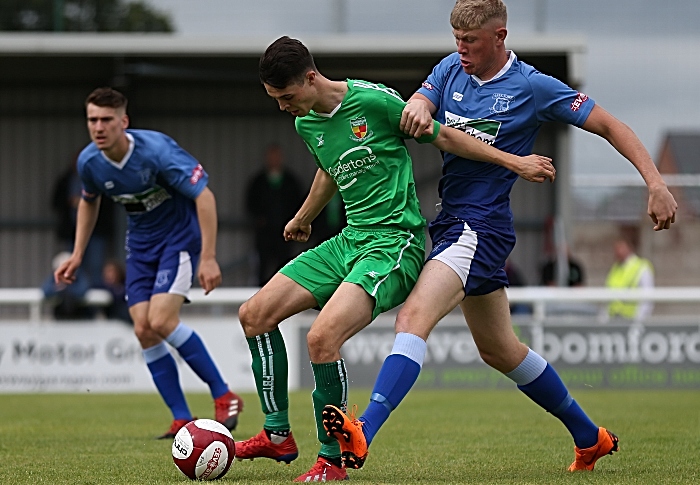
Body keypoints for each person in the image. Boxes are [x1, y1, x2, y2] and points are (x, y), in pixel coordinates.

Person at [321, 0, 678, 474]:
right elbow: (421, 102)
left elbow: (610, 125)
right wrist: (419, 109)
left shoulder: (531, 87)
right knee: (500, 350)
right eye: (456, 39)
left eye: (470, 41)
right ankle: (590, 436)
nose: (461, 49)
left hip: (480, 226)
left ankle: (364, 428)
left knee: (412, 319)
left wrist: (655, 183)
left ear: (500, 36)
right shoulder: (451, 68)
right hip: (453, 222)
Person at [235, 35, 555, 482]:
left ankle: (331, 460)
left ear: (311, 77)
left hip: (393, 243)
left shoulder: (375, 101)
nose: (283, 108)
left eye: (287, 97)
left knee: (321, 339)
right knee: (253, 315)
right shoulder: (306, 122)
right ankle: (275, 435)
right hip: (349, 240)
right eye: (276, 100)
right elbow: (330, 166)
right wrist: (303, 217)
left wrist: (514, 162)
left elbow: (447, 138)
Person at [54, 87, 244, 439]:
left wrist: (209, 256)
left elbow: (204, 196)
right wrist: (78, 254)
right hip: (140, 246)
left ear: (123, 122)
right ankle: (181, 418)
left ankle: (224, 394)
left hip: (179, 240)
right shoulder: (89, 163)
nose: (98, 127)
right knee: (142, 328)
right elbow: (89, 201)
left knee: (161, 320)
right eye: (92, 120)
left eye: (106, 120)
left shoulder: (156, 150)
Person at [245, 144, 305, 285]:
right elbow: (250, 203)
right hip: (264, 233)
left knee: (285, 265)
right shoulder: (258, 181)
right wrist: (259, 219)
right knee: (263, 265)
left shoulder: (291, 181)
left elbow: (299, 202)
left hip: (285, 232)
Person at [605, 235, 654, 320]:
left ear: (629, 248)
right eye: (616, 249)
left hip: (632, 319)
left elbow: (647, 297)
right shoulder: (615, 268)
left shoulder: (642, 267)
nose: (618, 252)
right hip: (614, 318)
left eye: (621, 248)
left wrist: (639, 320)